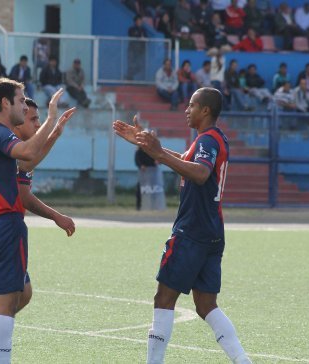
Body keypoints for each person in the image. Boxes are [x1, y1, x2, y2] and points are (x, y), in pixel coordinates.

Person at [113, 87, 252, 364]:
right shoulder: (210, 140)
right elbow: (190, 161)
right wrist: (150, 146)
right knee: (205, 305)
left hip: (192, 231)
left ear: (205, 111)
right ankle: (243, 360)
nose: (186, 110)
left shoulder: (207, 141)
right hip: (212, 231)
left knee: (163, 298)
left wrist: (160, 155)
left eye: (191, 105)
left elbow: (200, 173)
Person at [0, 81, 72, 363]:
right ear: (6, 103)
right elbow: (28, 154)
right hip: (5, 223)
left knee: (5, 299)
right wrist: (51, 117)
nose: (24, 106)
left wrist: (52, 132)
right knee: (7, 304)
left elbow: (24, 164)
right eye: (21, 101)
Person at [135, 139, 165, 211]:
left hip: (153, 173)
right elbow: (137, 161)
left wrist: (157, 161)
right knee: (140, 189)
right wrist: (141, 165)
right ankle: (139, 206)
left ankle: (154, 206)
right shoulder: (139, 151)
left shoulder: (152, 151)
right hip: (144, 174)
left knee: (154, 189)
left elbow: (158, 159)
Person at [127, 15, 145, 80]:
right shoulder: (131, 29)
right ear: (135, 22)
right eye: (138, 21)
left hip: (140, 51)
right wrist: (140, 37)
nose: (140, 22)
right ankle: (129, 78)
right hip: (132, 50)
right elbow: (132, 36)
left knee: (139, 67)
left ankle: (128, 76)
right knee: (131, 65)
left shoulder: (143, 30)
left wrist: (143, 38)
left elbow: (146, 38)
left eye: (141, 21)